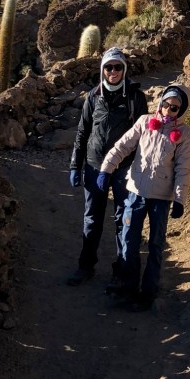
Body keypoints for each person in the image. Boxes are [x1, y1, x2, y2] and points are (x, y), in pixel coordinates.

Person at [98, 84, 190, 309]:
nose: (169, 110)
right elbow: (122, 146)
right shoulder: (144, 122)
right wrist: (106, 169)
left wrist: (180, 199)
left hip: (161, 196)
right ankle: (128, 286)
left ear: (181, 111)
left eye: (175, 108)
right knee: (129, 239)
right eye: (167, 104)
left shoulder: (184, 135)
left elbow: (183, 168)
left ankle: (148, 292)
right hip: (136, 192)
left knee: (156, 244)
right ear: (160, 102)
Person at [67, 47, 148, 285]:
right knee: (92, 218)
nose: (113, 71)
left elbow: (143, 136)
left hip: (123, 168)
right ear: (102, 69)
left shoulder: (135, 97)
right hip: (94, 165)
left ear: (124, 69)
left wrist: (140, 169)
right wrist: (75, 165)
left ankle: (121, 271)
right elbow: (83, 132)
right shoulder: (93, 96)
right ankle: (86, 266)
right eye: (109, 67)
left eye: (118, 67)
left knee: (123, 218)